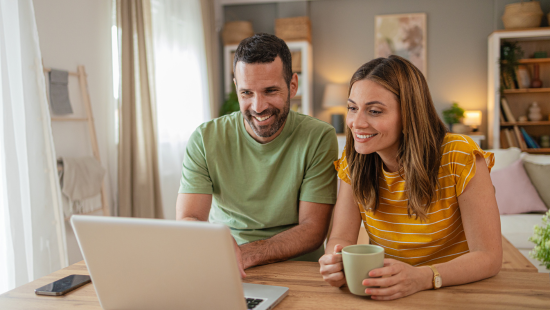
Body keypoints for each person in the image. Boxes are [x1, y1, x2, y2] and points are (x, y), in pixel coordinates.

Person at [319, 56, 502, 300]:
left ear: (409, 115)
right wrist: (335, 260)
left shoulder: (460, 155)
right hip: (389, 292)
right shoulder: (353, 160)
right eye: (352, 108)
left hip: (455, 292)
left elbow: (488, 257)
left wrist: (423, 277)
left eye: (374, 111)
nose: (356, 123)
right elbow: (341, 238)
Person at [176, 33, 338, 277]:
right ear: (236, 88)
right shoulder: (205, 138)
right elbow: (188, 218)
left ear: (293, 85)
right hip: (229, 266)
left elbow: (313, 229)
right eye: (247, 93)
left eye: (270, 91)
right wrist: (223, 251)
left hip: (297, 268)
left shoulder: (319, 137)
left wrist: (246, 253)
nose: (258, 106)